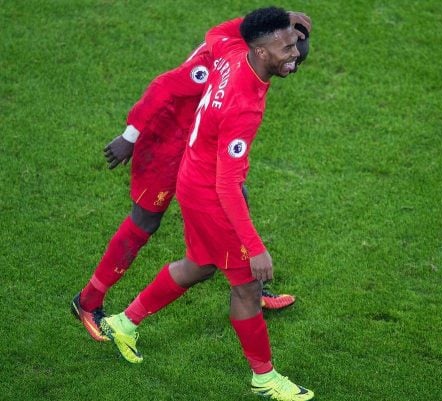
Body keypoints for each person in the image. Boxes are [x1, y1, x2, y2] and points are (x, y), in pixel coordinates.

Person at [100, 7, 314, 401]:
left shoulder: (232, 50)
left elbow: (218, 31)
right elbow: (229, 185)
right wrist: (257, 247)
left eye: (295, 44)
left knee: (199, 265)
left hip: (193, 176)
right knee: (248, 287)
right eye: (286, 47)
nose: (296, 53)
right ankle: (264, 379)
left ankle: (123, 323)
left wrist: (283, 17)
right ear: (262, 52)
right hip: (212, 193)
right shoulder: (244, 106)